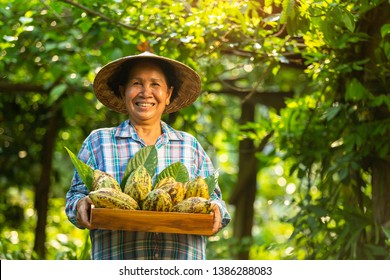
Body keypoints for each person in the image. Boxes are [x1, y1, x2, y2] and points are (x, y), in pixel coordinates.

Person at [65, 51, 231, 260]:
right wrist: (81, 205)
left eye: (155, 84)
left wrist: (217, 210)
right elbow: (75, 197)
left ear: (168, 94)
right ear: (123, 91)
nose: (146, 92)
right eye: (137, 83)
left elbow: (214, 201)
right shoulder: (98, 142)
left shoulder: (189, 145)